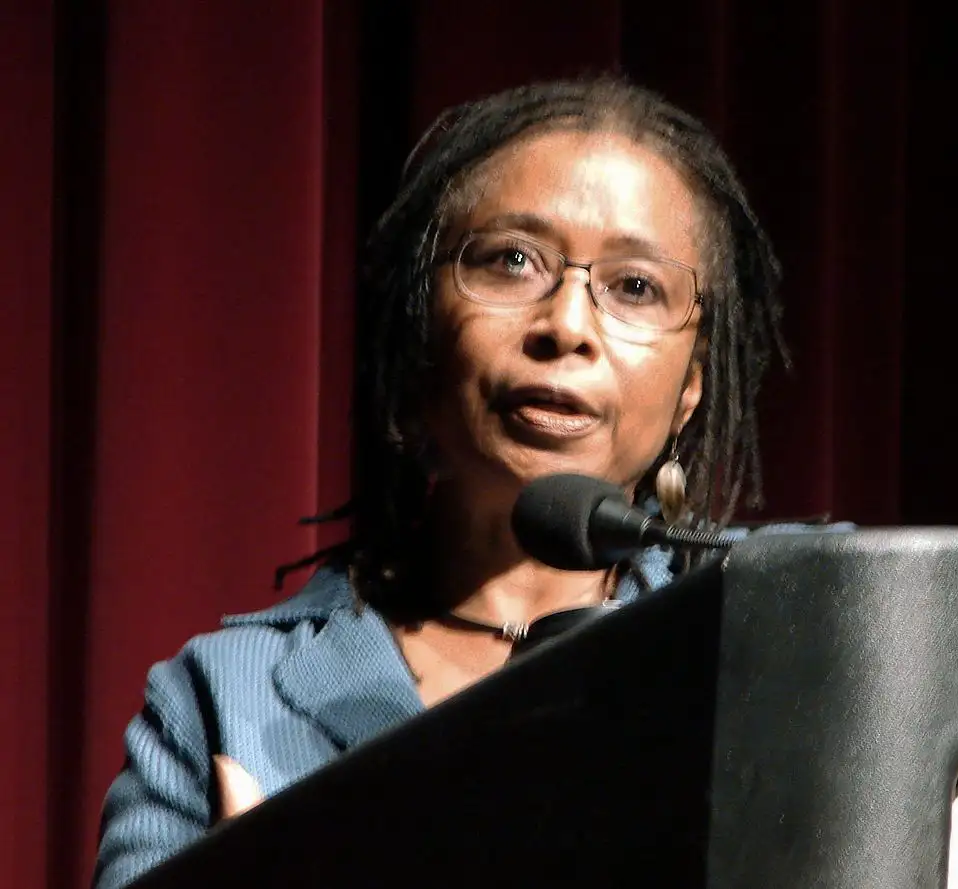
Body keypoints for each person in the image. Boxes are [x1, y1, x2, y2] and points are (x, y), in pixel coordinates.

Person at [92, 75, 817, 888]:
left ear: (691, 386)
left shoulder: (797, 621)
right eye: (512, 261)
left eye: (634, 286)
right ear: (420, 335)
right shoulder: (223, 699)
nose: (567, 326)